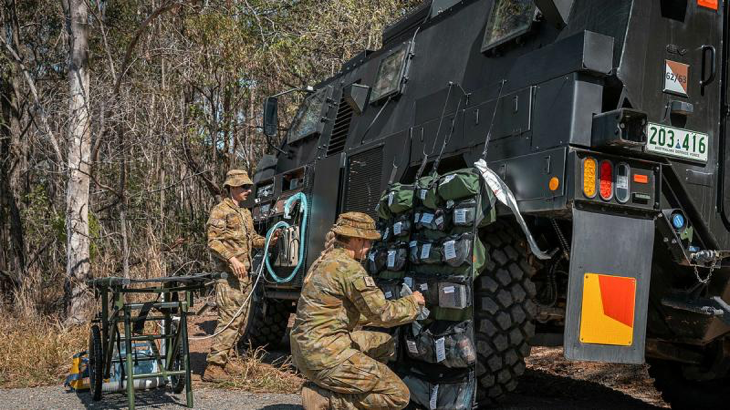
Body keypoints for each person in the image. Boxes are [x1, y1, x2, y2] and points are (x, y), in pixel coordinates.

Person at [290, 212, 426, 409]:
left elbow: (342, 311)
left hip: (307, 351)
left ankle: (343, 387)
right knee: (398, 395)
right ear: (354, 239)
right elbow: (382, 314)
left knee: (384, 343)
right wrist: (413, 302)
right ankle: (325, 399)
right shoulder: (349, 268)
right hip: (325, 356)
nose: (369, 246)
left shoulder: (326, 260)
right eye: (366, 240)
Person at [203, 169, 276, 382]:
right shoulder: (220, 210)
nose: (248, 190)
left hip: (245, 277)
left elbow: (252, 239)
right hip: (228, 277)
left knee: (241, 321)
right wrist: (231, 259)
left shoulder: (244, 213)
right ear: (232, 187)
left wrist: (269, 239)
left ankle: (226, 359)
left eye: (249, 186)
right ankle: (213, 367)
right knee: (229, 320)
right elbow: (213, 241)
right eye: (244, 186)